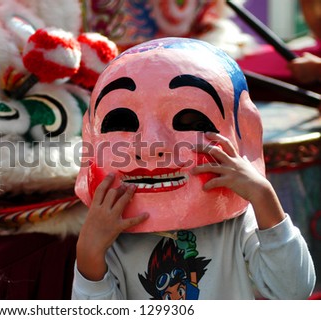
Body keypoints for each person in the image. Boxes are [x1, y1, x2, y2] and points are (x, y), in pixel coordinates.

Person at [72, 37, 316, 300]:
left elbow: (294, 290)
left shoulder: (237, 226)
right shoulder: (110, 236)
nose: (153, 146)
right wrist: (90, 254)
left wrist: (262, 194)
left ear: (245, 133)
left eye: (189, 120)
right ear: (90, 138)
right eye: (122, 120)